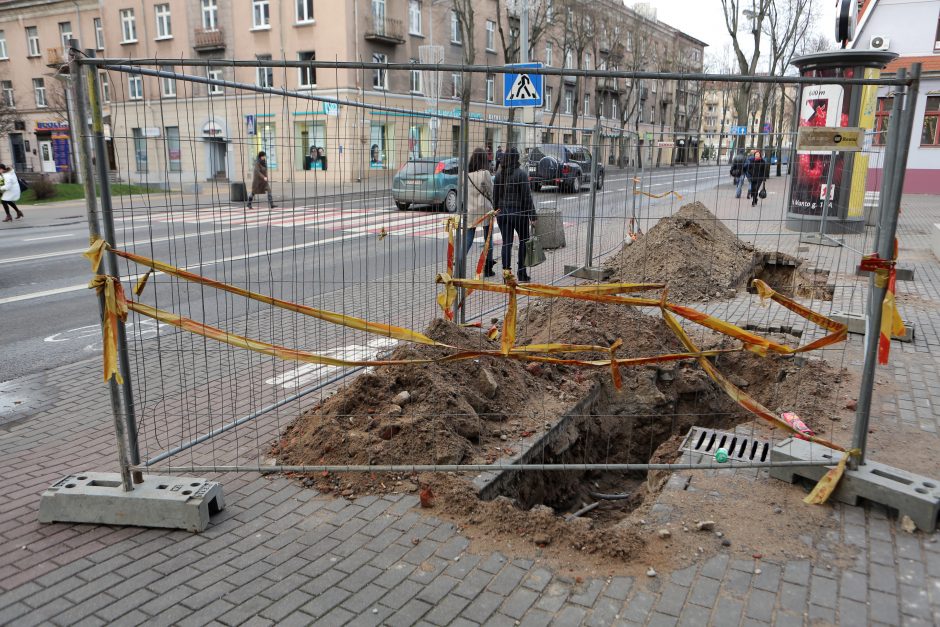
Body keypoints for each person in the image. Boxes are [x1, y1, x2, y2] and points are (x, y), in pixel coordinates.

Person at [493, 147, 536, 282]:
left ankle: (507, 275)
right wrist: (533, 216)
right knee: (523, 241)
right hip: (519, 214)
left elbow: (495, 196)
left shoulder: (499, 174)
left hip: (503, 214)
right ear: (517, 158)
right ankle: (522, 273)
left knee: (507, 243)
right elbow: (527, 197)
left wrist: (496, 210)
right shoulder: (521, 174)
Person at [465, 147, 497, 278]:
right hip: (485, 210)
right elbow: (491, 191)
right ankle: (488, 267)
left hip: (471, 210)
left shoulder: (466, 175)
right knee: (488, 239)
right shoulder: (485, 173)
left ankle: (458, 259)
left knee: (468, 237)